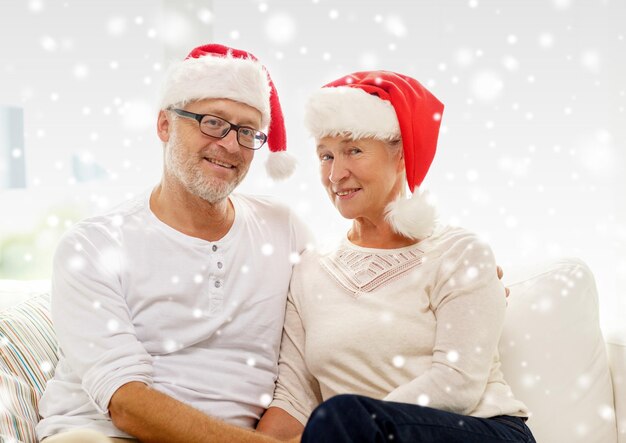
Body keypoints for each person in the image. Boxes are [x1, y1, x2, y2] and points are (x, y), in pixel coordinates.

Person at [36, 44, 313, 443]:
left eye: (247, 131)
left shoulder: (284, 230)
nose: (231, 145)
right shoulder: (92, 245)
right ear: (165, 125)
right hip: (104, 435)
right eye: (213, 122)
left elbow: (298, 378)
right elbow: (125, 402)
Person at [256, 71, 536, 442]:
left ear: (401, 155)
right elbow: (293, 399)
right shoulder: (309, 271)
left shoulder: (458, 252)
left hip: (480, 431)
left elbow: (457, 384)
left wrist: (351, 428)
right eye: (325, 156)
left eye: (353, 150)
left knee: (345, 417)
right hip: (351, 433)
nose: (336, 173)